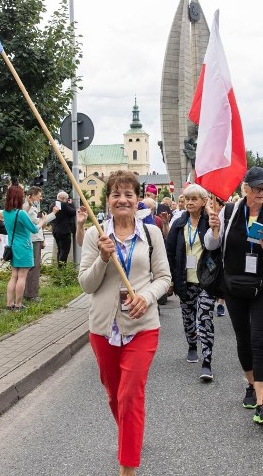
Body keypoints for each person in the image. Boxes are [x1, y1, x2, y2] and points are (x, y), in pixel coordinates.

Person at [79, 170, 171, 476]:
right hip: (104, 329)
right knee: (114, 393)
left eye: (129, 194)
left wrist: (145, 297)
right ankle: (131, 435)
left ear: (137, 200)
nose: (123, 200)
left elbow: (164, 279)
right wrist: (102, 259)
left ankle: (127, 467)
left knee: (130, 394)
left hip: (142, 326)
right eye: (116, 194)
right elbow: (86, 285)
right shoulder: (96, 235)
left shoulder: (151, 233)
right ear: (107, 200)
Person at [204, 167, 263, 425]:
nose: (261, 194)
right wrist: (214, 229)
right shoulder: (229, 212)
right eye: (256, 189)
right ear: (245, 189)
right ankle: (251, 385)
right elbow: (211, 245)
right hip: (234, 288)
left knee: (260, 342)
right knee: (243, 339)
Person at [165, 184, 216, 381]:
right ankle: (192, 345)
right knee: (188, 316)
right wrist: (170, 279)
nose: (190, 202)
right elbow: (169, 252)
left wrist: (214, 224)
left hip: (206, 280)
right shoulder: (179, 224)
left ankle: (207, 361)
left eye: (194, 199)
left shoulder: (210, 222)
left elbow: (217, 248)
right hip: (184, 279)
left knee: (204, 318)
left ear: (204, 202)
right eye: (187, 199)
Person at [3, 186, 37, 310]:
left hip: (12, 247)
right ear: (19, 198)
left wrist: (28, 205)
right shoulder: (21, 213)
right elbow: (34, 228)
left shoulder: (5, 212)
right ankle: (18, 304)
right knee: (22, 276)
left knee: (14, 276)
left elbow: (18, 217)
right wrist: (43, 221)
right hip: (24, 247)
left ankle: (9, 303)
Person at [24, 186, 54, 301]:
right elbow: (38, 224)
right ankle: (31, 294)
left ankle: (29, 292)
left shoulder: (31, 207)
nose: (41, 198)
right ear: (33, 195)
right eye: (39, 196)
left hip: (35, 239)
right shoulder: (29, 208)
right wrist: (52, 214)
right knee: (34, 267)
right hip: (33, 240)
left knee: (33, 267)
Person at [51, 191, 77, 266]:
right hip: (64, 231)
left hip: (55, 230)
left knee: (60, 250)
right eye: (67, 199)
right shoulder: (64, 204)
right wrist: (71, 204)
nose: (67, 201)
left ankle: (59, 268)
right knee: (64, 251)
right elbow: (74, 212)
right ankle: (62, 269)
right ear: (63, 198)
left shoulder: (52, 205)